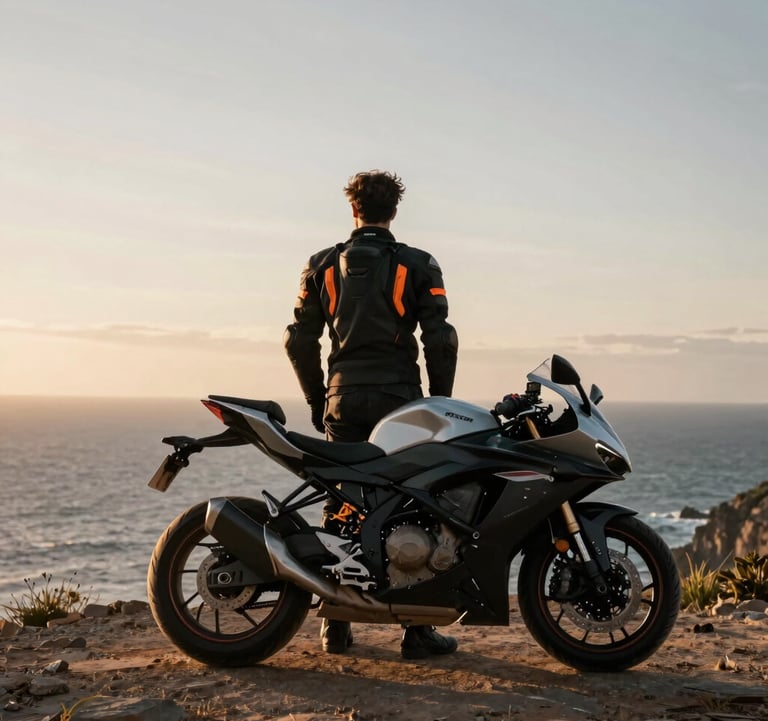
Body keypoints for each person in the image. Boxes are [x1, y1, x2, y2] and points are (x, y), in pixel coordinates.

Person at [284, 170, 459, 659]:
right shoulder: (419, 264)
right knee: (415, 503)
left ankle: (335, 625)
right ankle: (416, 633)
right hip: (401, 400)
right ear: (394, 212)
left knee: (341, 502)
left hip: (342, 398)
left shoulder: (320, 265)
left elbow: (298, 340)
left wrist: (319, 401)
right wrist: (438, 403)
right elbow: (440, 339)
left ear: (353, 209)